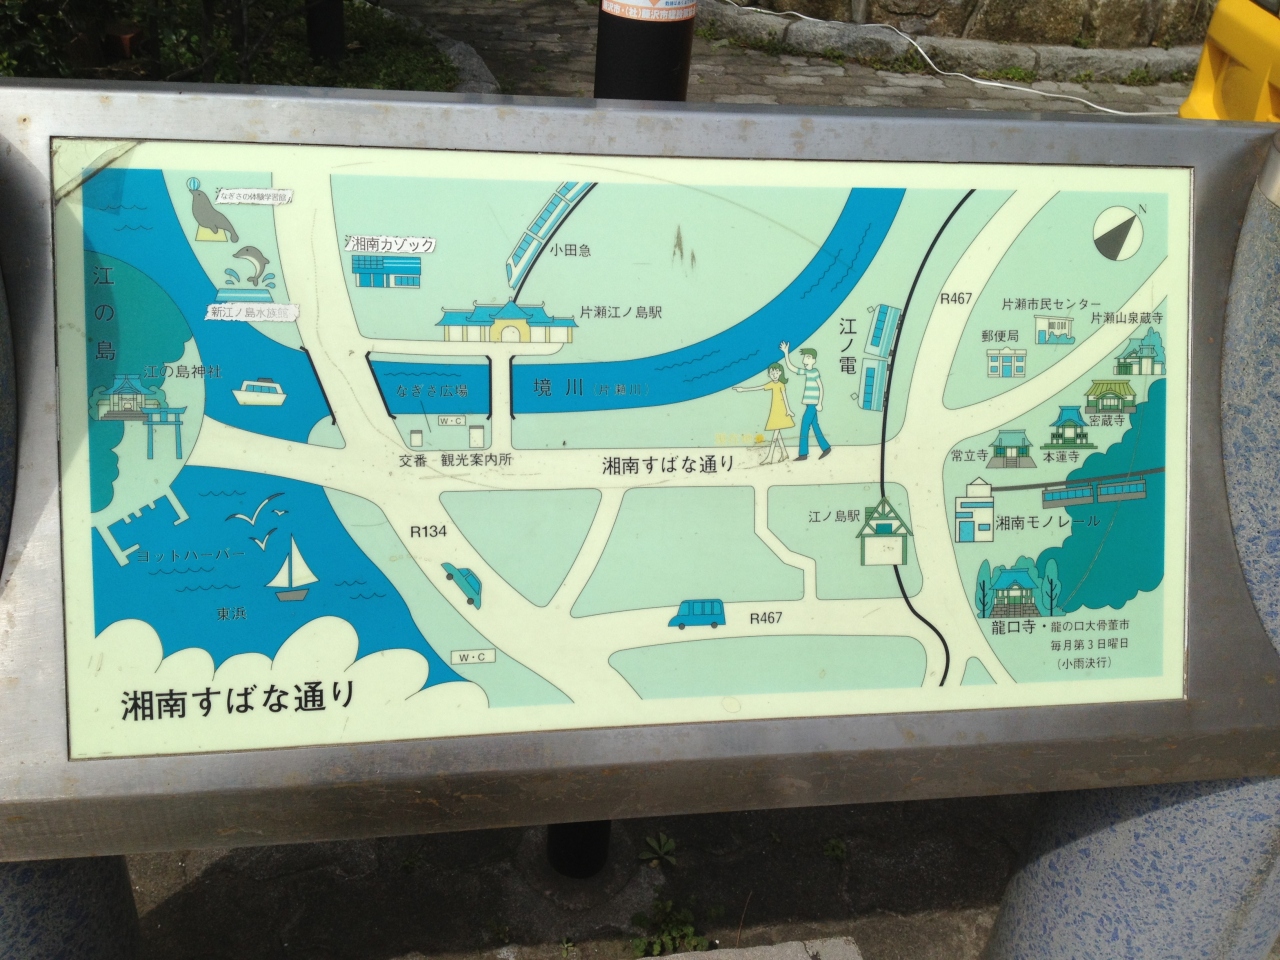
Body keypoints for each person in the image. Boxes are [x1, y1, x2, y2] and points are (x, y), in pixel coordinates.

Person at [779, 341, 830, 461]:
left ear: (814, 360)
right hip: (809, 404)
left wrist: (820, 403)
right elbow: (792, 368)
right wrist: (786, 353)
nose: (804, 360)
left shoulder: (815, 372)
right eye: (804, 358)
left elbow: (821, 387)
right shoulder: (807, 372)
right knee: (815, 426)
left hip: (813, 404)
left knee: (804, 425)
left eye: (808, 357)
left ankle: (803, 453)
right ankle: (826, 447)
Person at [734, 363, 794, 464]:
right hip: (775, 410)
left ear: (780, 373)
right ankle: (784, 453)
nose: (774, 375)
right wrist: (743, 389)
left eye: (776, 372)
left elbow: (784, 397)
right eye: (772, 373)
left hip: (781, 410)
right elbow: (759, 387)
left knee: (775, 434)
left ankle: (770, 457)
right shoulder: (772, 384)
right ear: (769, 374)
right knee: (777, 433)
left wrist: (788, 410)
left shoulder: (781, 384)